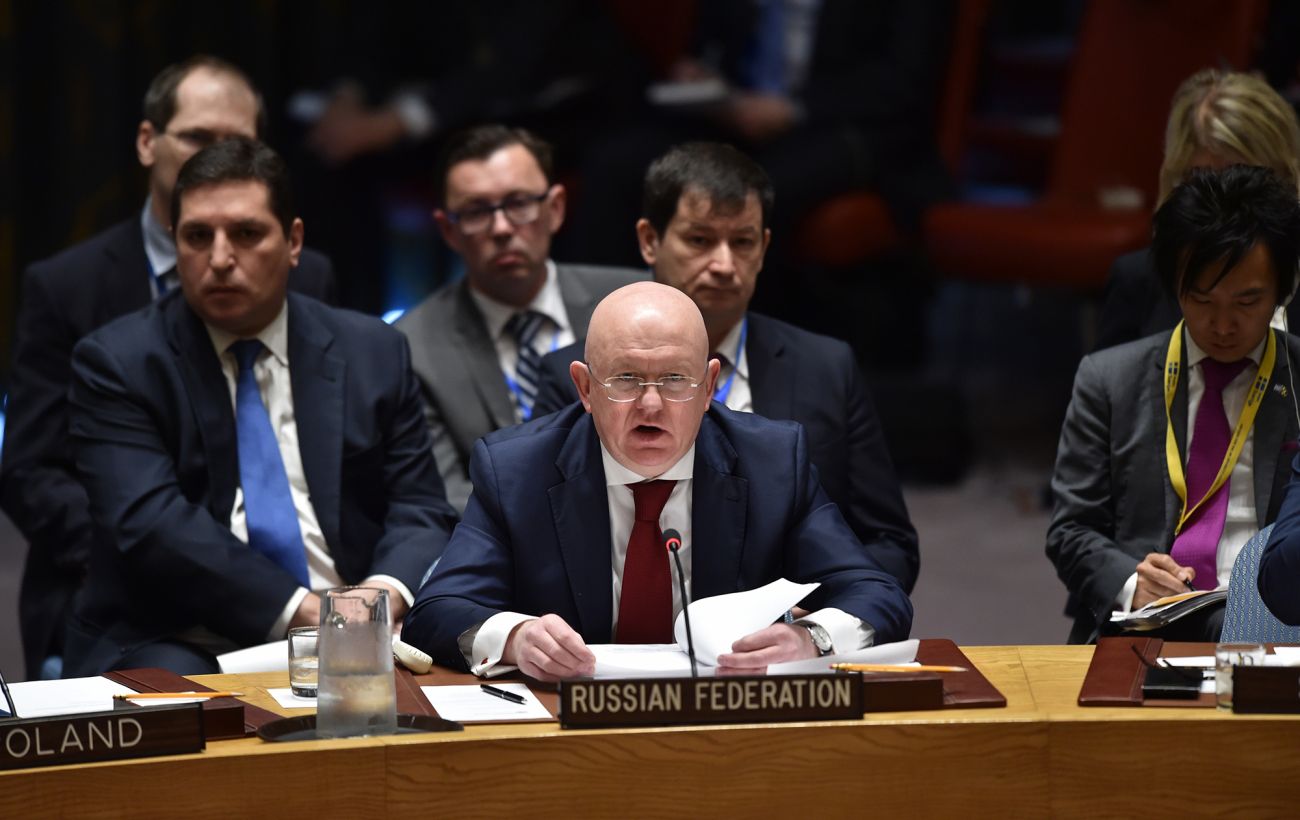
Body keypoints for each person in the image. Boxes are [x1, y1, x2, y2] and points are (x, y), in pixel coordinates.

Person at [63, 138, 456, 676]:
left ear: (293, 241)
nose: (220, 259)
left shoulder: (372, 349)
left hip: (369, 627)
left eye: (246, 234)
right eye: (198, 236)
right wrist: (318, 616)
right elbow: (154, 527)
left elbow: (420, 506)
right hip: (180, 636)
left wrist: (376, 600)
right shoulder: (118, 362)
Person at [0, 55, 338, 680]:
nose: (216, 156)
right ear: (147, 142)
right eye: (197, 137)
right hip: (114, 580)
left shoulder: (308, 274)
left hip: (298, 584)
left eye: (236, 141)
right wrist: (138, 554)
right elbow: (29, 469)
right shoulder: (67, 286)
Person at [401, 282, 911, 680]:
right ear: (585, 387)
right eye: (625, 379)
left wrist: (810, 639)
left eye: (675, 379)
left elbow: (876, 593)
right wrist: (516, 638)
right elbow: (436, 611)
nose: (650, 404)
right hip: (569, 728)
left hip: (727, 722)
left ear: (709, 387)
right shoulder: (516, 470)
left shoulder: (772, 463)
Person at [533, 141, 919, 592]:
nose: (723, 264)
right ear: (650, 240)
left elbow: (888, 542)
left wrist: (814, 615)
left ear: (764, 247)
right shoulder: (576, 375)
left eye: (742, 242)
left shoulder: (827, 368)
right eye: (700, 240)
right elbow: (543, 541)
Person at [1048, 165, 1300, 643]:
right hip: (1148, 625)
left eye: (1247, 303)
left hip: (1275, 627)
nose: (1222, 325)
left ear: (1282, 292)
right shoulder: (1109, 379)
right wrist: (1131, 583)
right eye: (1202, 300)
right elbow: (1071, 529)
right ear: (1174, 286)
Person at [396, 125, 645, 512]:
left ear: (555, 208)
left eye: (519, 203)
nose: (501, 228)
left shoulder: (637, 300)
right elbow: (442, 497)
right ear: (448, 230)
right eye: (476, 211)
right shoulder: (412, 347)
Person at [1095, 69, 1300, 350]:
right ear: (1177, 183)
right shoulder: (1136, 281)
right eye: (1206, 182)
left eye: (1244, 182)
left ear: (1287, 180)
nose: (1224, 208)